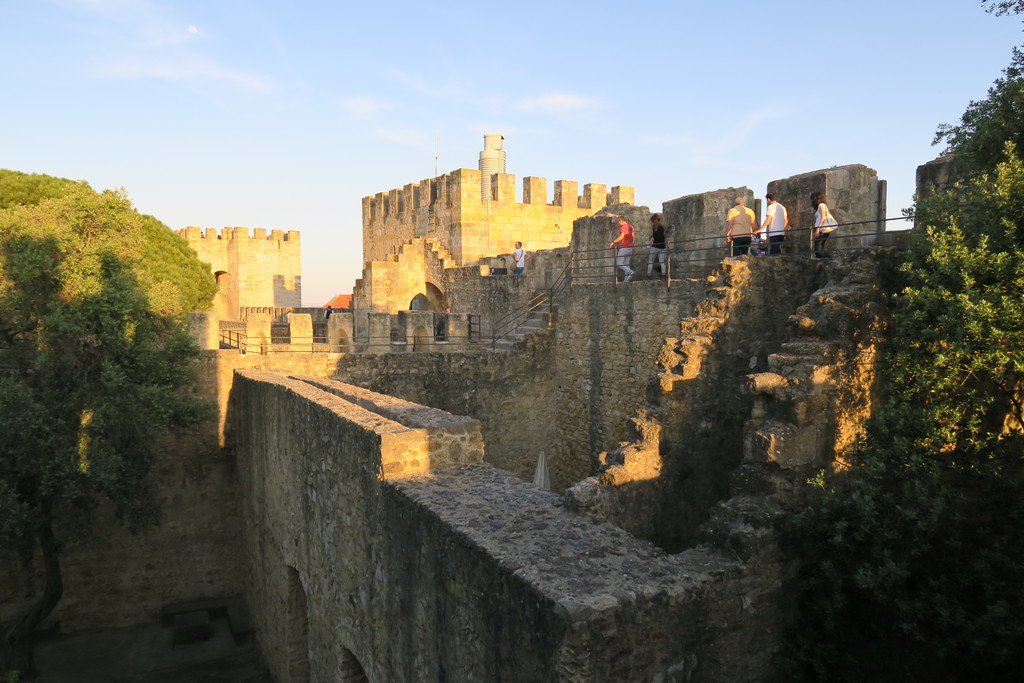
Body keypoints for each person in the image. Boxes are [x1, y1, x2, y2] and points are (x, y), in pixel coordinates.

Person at [811, 192, 838, 258]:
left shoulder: (821, 205)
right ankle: (826, 259)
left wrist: (818, 229)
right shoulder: (822, 205)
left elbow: (823, 217)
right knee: (819, 249)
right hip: (823, 229)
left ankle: (829, 258)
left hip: (822, 229)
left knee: (818, 250)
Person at [609, 216, 636, 282]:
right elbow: (633, 237)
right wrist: (632, 246)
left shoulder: (623, 227)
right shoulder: (631, 227)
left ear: (621, 221)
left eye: (619, 222)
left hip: (624, 247)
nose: (619, 224)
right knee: (626, 264)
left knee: (619, 263)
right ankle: (626, 280)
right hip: (630, 248)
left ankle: (630, 272)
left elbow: (621, 237)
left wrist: (613, 242)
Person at [647, 213, 667, 277]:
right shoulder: (662, 227)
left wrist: (648, 243)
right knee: (662, 262)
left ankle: (648, 275)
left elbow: (654, 237)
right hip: (662, 246)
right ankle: (663, 275)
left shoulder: (655, 226)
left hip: (655, 246)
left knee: (650, 262)